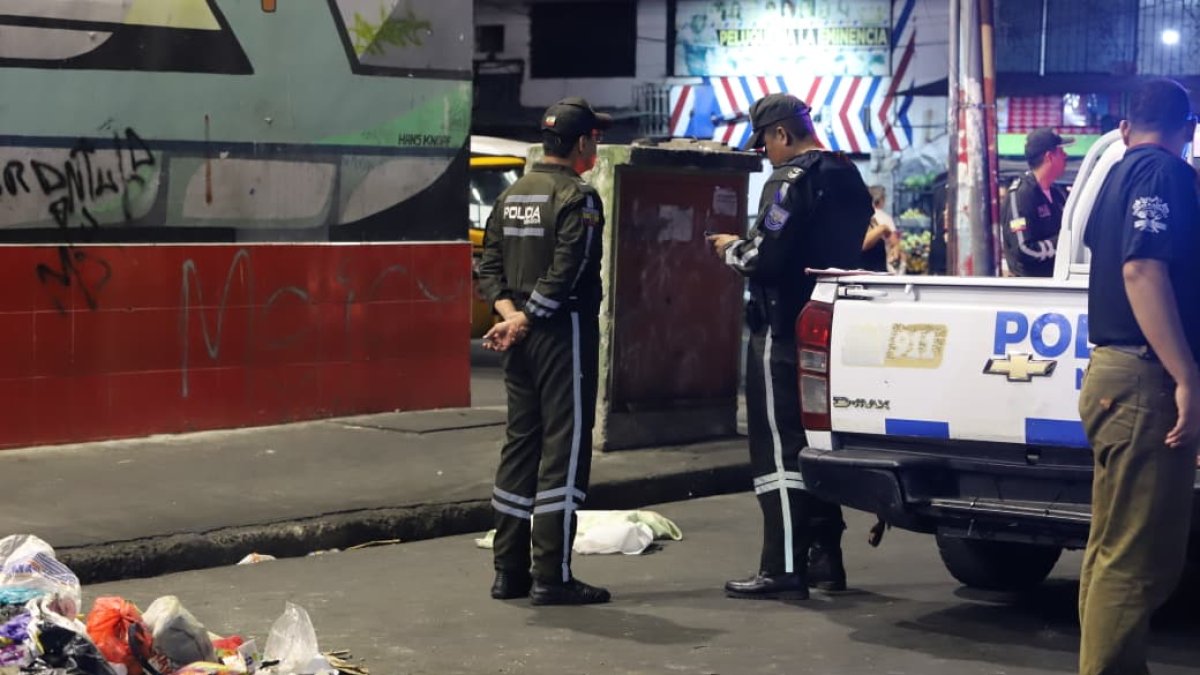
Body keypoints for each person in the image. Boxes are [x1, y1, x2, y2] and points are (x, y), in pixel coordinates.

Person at [707, 93, 873, 599]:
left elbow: (765, 256)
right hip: (826, 327)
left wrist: (728, 247)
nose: (765, 155)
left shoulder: (789, 181)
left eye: (765, 143)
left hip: (780, 328)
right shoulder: (848, 173)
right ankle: (826, 561)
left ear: (781, 133)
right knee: (815, 446)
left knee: (779, 452)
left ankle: (781, 567)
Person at [1077, 78, 1200, 675]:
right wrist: (1187, 377)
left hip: (1112, 378)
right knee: (1138, 559)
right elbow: (1142, 271)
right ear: (1188, 128)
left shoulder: (1114, 175)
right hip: (1144, 380)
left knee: (1110, 551)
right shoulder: (1163, 174)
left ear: (1125, 126)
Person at [476, 97, 612, 606]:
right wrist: (529, 317)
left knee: (520, 446)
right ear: (581, 143)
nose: (595, 146)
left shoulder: (511, 195)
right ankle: (551, 575)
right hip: (562, 333)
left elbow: (488, 267)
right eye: (594, 138)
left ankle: (508, 572)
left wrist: (510, 317)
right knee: (564, 450)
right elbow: (569, 270)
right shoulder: (579, 198)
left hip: (519, 337)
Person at [1000, 127, 1073, 276]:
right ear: (1049, 157)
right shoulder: (1020, 195)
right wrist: (1063, 243)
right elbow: (1023, 249)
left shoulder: (1058, 193)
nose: (1066, 155)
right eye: (1061, 151)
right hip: (1032, 290)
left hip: (1056, 285)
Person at [861, 184, 903, 273]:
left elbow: (894, 241)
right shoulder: (860, 219)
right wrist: (882, 229)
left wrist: (896, 247)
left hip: (878, 271)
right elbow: (863, 244)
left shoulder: (873, 219)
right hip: (865, 272)